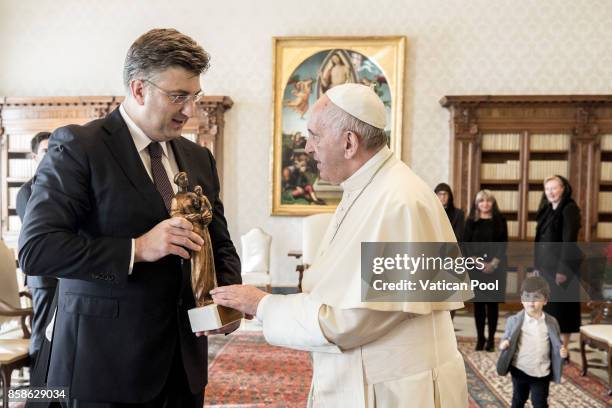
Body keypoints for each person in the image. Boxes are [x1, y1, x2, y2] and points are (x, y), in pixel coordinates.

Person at [18, 28, 241, 407]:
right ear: (139, 89)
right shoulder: (78, 147)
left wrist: (227, 300)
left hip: (184, 368)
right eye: (178, 97)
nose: (190, 110)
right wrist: (136, 248)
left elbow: (219, 241)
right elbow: (37, 250)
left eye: (194, 96)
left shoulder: (199, 158)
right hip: (104, 366)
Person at [208, 84, 469, 407]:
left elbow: (355, 319)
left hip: (395, 391)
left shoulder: (400, 202)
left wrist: (262, 305)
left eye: (314, 135)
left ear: (348, 143)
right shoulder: (368, 188)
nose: (307, 147)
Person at [15, 131, 57, 366]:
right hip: (43, 275)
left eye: (56, 149)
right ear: (34, 156)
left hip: (67, 271)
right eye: (45, 150)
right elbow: (39, 236)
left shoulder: (63, 187)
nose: (52, 155)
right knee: (41, 332)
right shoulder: (26, 191)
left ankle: (56, 394)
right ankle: (37, 395)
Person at [497, 276, 567, 408]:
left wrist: (562, 351)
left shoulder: (552, 322)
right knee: (518, 399)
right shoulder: (514, 320)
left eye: (536, 297)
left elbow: (557, 343)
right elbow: (505, 338)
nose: (531, 302)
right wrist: (503, 344)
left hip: (542, 371)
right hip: (520, 369)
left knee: (540, 403)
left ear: (545, 300)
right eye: (527, 297)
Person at [534, 175, 582, 354]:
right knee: (549, 308)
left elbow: (569, 240)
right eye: (547, 189)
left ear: (563, 188)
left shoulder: (569, 208)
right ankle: (551, 345)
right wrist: (537, 267)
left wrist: (563, 270)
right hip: (546, 268)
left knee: (564, 310)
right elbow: (539, 241)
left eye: (554, 188)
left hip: (563, 268)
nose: (551, 192)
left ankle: (564, 348)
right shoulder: (547, 209)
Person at [463, 190, 508, 351]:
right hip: (476, 268)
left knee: (493, 305)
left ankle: (490, 340)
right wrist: (478, 263)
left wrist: (493, 263)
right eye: (481, 201)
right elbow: (466, 245)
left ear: (493, 203)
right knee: (479, 305)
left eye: (488, 201)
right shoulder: (470, 221)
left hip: (496, 267)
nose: (485, 204)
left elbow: (503, 243)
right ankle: (480, 338)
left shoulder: (500, 220)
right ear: (477, 204)